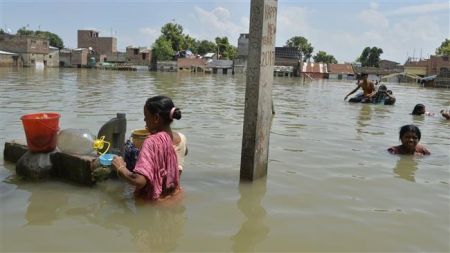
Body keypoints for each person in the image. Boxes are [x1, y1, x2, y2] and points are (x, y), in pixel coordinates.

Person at [112, 95, 183, 201]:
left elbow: (139, 181)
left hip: (153, 203)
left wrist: (120, 168)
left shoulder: (151, 141)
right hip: (171, 197)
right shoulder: (168, 138)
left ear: (156, 118)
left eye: (146, 116)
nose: (144, 119)